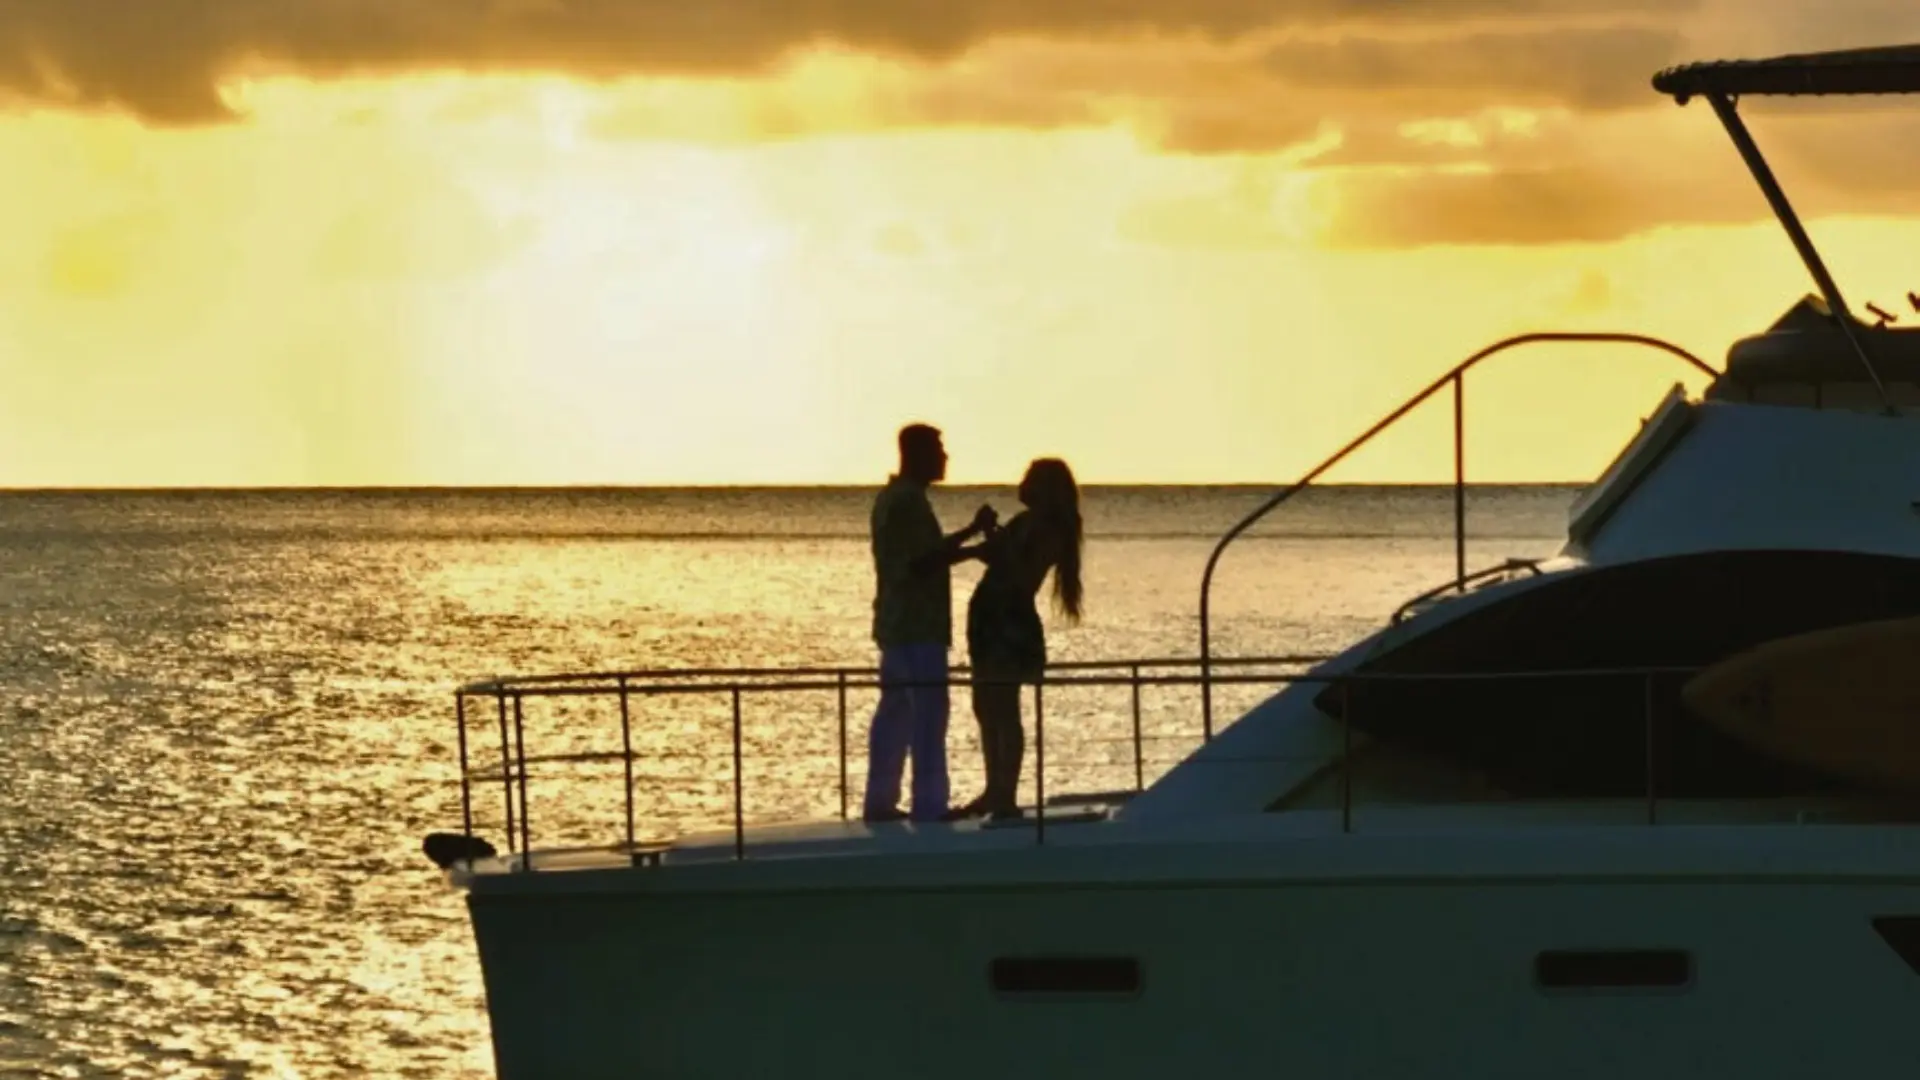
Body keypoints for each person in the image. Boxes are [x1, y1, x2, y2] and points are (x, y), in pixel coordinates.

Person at [863, 423, 998, 824]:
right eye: (938, 449)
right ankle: (930, 805)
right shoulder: (906, 502)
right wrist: (975, 551)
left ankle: (880, 801)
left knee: (895, 714)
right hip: (917, 627)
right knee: (927, 714)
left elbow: (924, 553)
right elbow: (921, 563)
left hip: (896, 624)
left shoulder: (894, 499)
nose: (945, 457)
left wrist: (971, 535)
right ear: (916, 453)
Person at [959, 458, 1084, 821]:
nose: (1022, 482)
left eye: (1030, 477)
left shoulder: (1049, 529)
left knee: (1003, 706)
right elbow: (1000, 560)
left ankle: (1005, 794)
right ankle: (993, 788)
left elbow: (1022, 573)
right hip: (990, 616)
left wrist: (997, 542)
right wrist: (987, 536)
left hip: (1008, 621)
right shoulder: (1025, 523)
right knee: (984, 705)